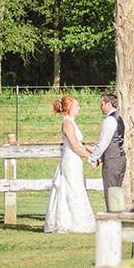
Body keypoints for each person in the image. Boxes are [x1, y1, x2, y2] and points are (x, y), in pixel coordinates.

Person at [43, 95, 96, 233]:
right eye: (76, 106)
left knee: (76, 187)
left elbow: (80, 144)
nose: (79, 108)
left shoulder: (71, 122)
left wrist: (91, 151)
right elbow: (75, 146)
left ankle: (75, 220)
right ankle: (72, 222)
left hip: (75, 159)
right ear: (69, 108)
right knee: (72, 188)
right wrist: (91, 158)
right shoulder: (67, 123)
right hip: (71, 160)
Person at [88, 93, 126, 210]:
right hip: (120, 159)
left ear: (108, 104)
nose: (101, 106)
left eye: (102, 103)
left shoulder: (109, 120)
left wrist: (94, 158)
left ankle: (113, 220)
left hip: (112, 161)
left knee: (111, 192)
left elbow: (104, 143)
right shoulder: (119, 118)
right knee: (116, 192)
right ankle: (117, 219)